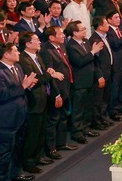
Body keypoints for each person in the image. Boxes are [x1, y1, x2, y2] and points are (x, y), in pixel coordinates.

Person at [0, 42, 38, 181]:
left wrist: (27, 87)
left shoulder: (17, 67)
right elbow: (1, 95)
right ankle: (3, 178)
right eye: (16, 51)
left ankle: (16, 174)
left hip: (20, 115)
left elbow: (20, 90)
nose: (18, 53)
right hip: (6, 119)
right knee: (5, 152)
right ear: (6, 54)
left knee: (18, 149)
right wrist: (23, 86)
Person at [17, 32, 59, 174]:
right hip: (34, 100)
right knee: (32, 133)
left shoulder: (37, 56)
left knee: (41, 130)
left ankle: (38, 156)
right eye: (36, 40)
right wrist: (49, 74)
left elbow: (43, 75)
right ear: (28, 44)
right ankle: (28, 162)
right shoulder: (23, 59)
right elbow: (34, 80)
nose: (39, 42)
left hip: (43, 98)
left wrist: (48, 73)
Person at [39, 26, 77, 157]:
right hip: (56, 91)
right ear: (51, 37)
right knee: (53, 120)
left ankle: (61, 143)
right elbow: (51, 75)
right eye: (60, 34)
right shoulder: (46, 51)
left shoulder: (61, 46)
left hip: (66, 87)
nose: (63, 36)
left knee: (63, 117)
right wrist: (57, 94)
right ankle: (51, 148)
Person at [66, 21, 104, 144]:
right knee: (78, 109)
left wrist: (99, 76)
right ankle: (77, 132)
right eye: (82, 29)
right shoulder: (71, 46)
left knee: (88, 106)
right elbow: (79, 61)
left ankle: (86, 128)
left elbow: (93, 61)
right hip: (79, 82)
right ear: (75, 32)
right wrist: (92, 52)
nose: (85, 30)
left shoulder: (86, 42)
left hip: (90, 79)